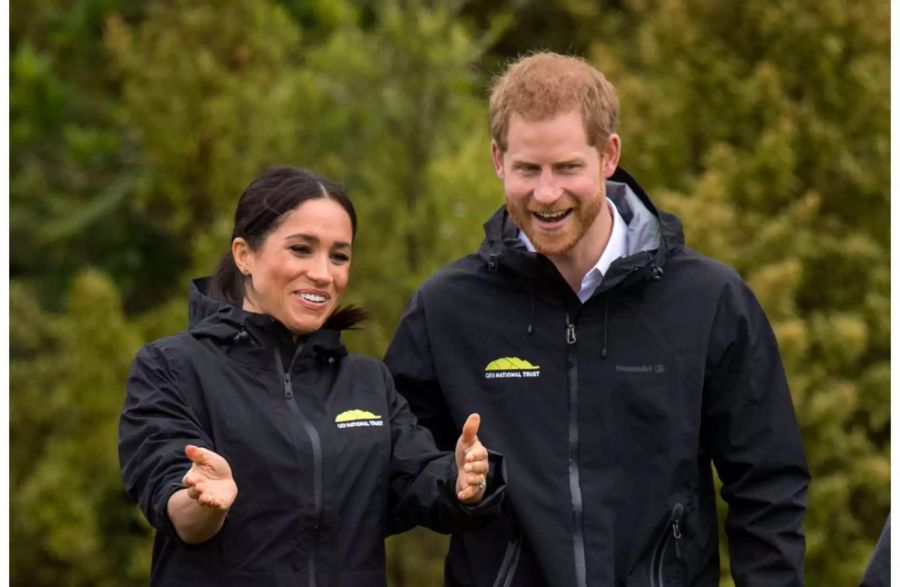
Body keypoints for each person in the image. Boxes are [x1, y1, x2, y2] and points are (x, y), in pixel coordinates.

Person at [384, 52, 810, 586]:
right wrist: (455, 483)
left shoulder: (710, 301)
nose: (545, 193)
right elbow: (393, 473)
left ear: (608, 156)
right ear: (497, 159)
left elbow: (768, 487)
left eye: (567, 168)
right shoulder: (446, 308)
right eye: (526, 169)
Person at [119, 166, 504, 586]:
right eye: (301, 249)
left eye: (339, 256)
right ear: (244, 254)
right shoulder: (171, 367)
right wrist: (206, 504)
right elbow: (175, 504)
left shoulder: (368, 381)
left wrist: (462, 478)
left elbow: (413, 483)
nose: (323, 273)